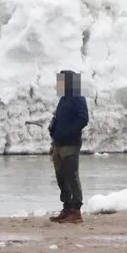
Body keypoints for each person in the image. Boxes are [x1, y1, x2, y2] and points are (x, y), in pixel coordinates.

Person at [48, 70, 89, 224]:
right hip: (58, 143)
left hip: (70, 144)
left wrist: (68, 132)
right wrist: (53, 128)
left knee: (71, 176)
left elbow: (83, 118)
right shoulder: (64, 99)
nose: (58, 84)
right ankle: (67, 208)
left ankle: (75, 211)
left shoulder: (77, 98)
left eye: (61, 81)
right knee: (61, 177)